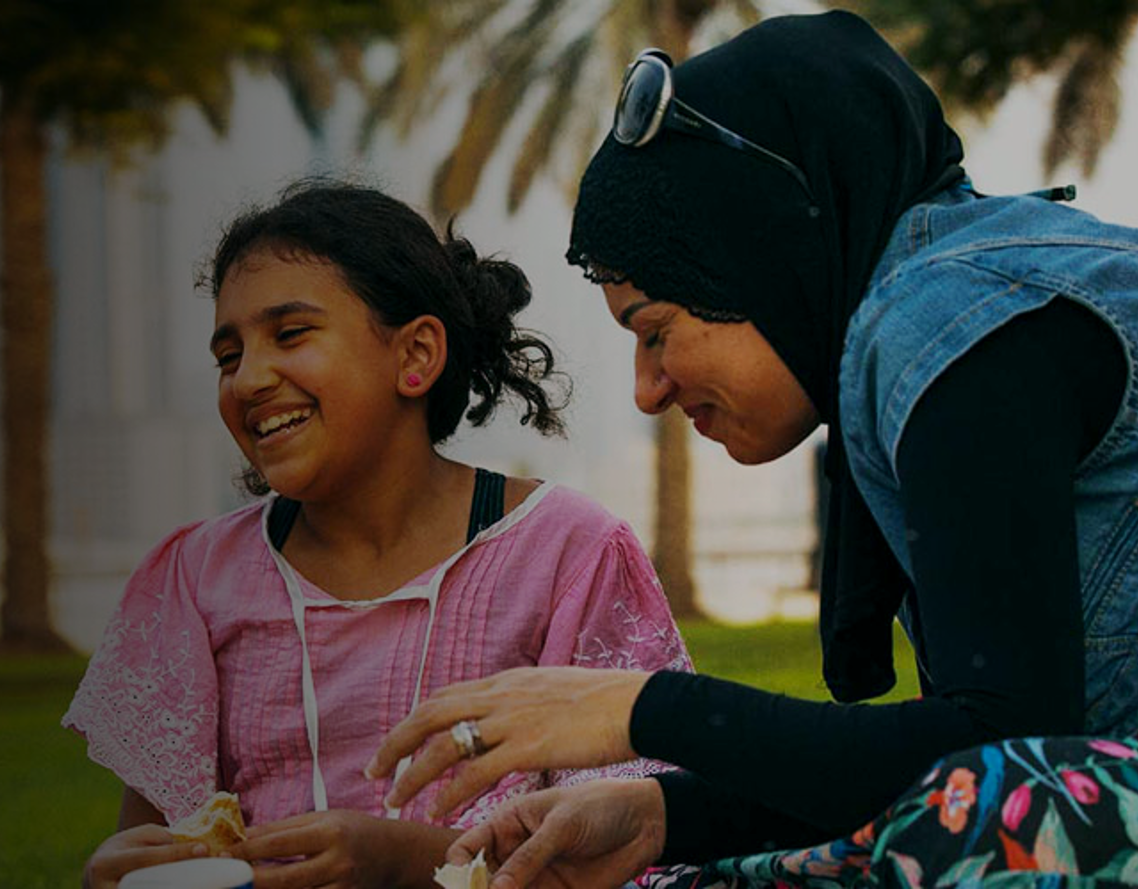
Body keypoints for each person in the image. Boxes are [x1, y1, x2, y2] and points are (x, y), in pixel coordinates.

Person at [365, 10, 1138, 887]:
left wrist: (640, 709)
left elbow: (1009, 770)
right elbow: (968, 767)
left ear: (765, 259)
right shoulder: (949, 306)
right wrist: (663, 815)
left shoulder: (950, 328)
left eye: (655, 329)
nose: (646, 389)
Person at [61, 179, 693, 889]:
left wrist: (402, 861)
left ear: (416, 355)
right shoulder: (196, 577)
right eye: (228, 355)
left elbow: (632, 850)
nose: (248, 380)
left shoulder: (567, 552)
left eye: (290, 334)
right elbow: (162, 844)